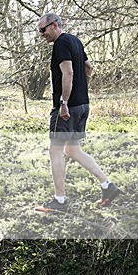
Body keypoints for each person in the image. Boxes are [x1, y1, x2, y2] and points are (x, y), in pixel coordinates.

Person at [34, 13, 120, 212]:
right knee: (72, 150)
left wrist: (64, 102)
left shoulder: (61, 43)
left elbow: (69, 72)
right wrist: (83, 89)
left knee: (55, 150)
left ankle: (60, 201)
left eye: (43, 30)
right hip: (82, 105)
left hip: (67, 108)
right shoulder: (75, 41)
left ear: (54, 25)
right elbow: (88, 68)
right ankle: (108, 186)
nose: (42, 35)